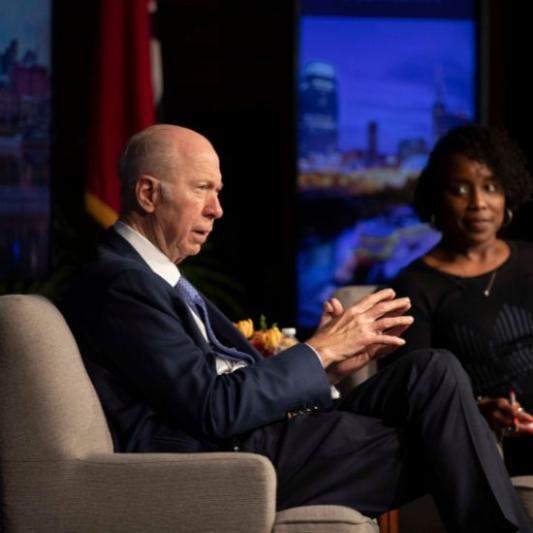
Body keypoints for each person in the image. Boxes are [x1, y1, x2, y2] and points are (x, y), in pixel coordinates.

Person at [61, 124, 532, 532]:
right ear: (148, 194)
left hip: (265, 432)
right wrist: (320, 351)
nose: (217, 209)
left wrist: (326, 369)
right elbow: (212, 408)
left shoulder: (156, 276)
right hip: (235, 457)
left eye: (218, 192)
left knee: (432, 372)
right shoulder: (119, 284)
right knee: (447, 434)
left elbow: (222, 381)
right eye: (203, 188)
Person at [386, 123, 533, 477]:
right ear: (438, 199)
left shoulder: (530, 260)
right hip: (490, 439)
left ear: (507, 195)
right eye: (460, 190)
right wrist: (480, 409)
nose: (479, 203)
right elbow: (416, 391)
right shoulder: (414, 286)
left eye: (491, 188)